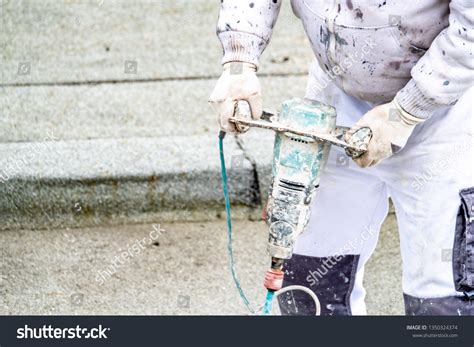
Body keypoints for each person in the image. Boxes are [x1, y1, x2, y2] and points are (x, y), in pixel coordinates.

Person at [209, 0, 473, 315]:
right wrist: (239, 62)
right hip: (335, 94)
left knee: (442, 300)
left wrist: (405, 112)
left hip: (445, 110)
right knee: (311, 285)